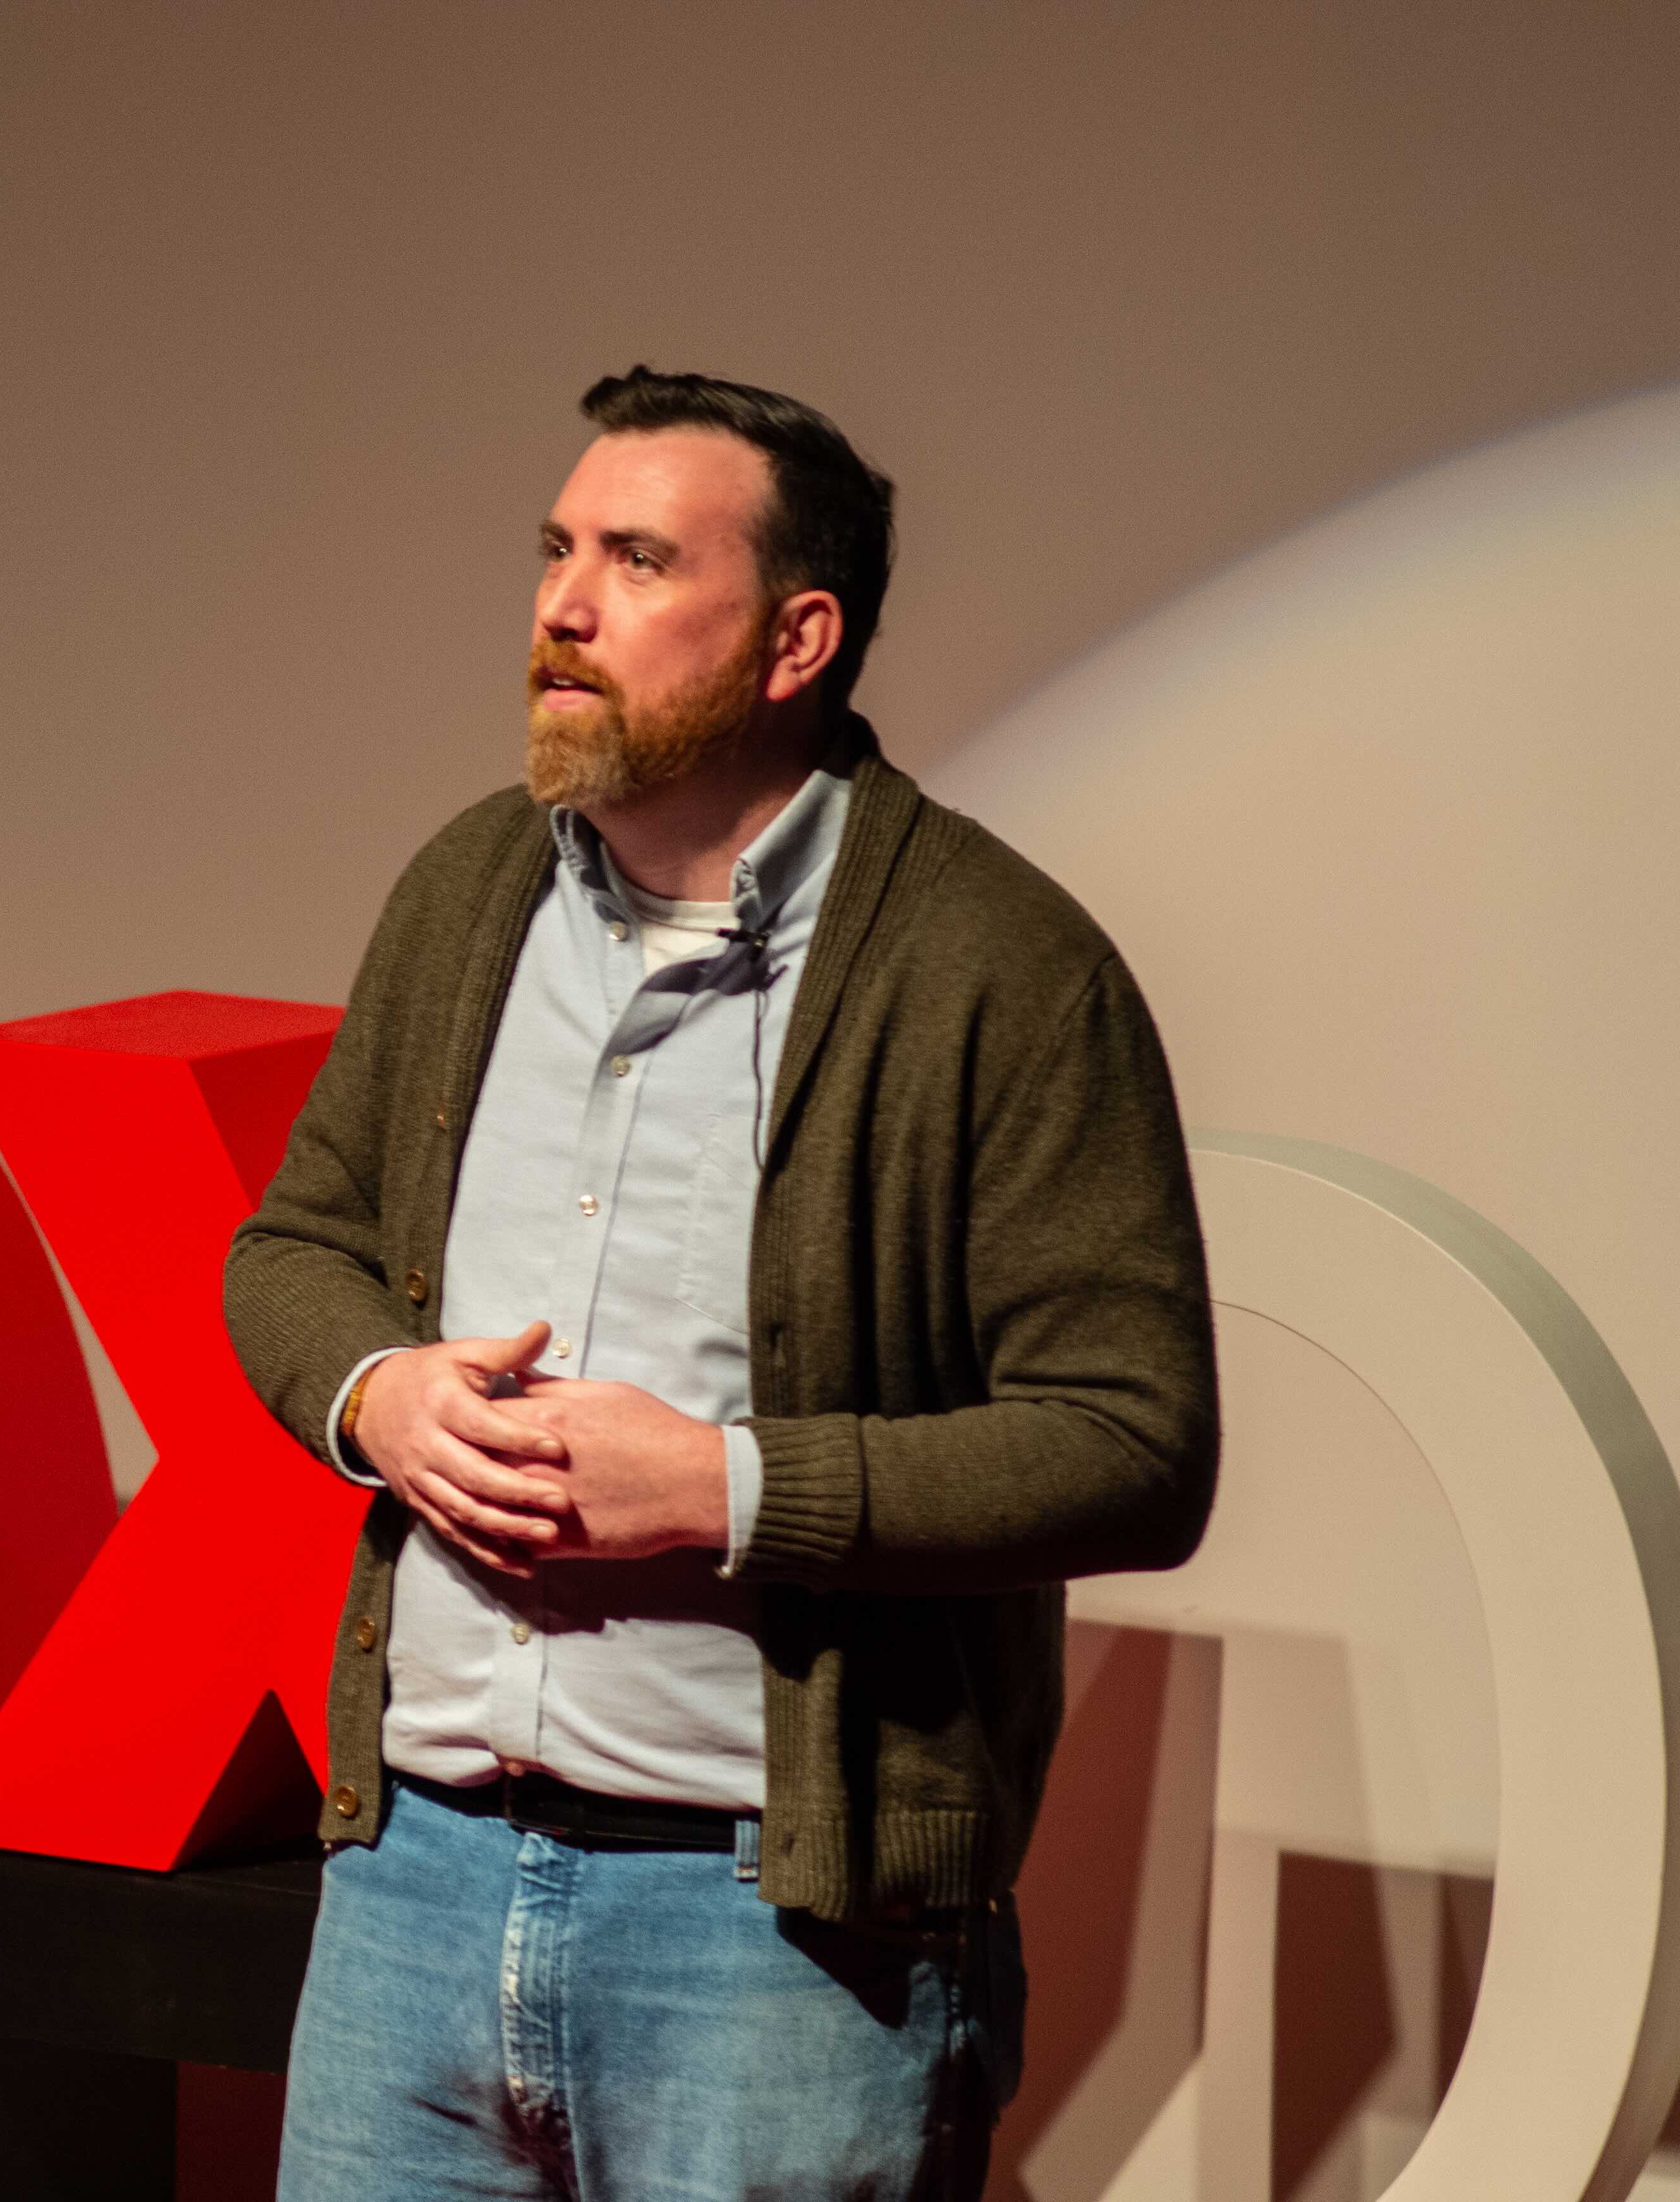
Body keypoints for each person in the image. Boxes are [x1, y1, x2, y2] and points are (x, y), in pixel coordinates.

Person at [224, 366, 1219, 2199]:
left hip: (774, 1935)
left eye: (636, 560)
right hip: (413, 1880)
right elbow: (298, 1248)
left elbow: (1136, 1445)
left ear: (795, 640)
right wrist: (381, 1396)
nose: (562, 605)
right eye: (555, 550)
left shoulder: (997, 967)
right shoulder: (469, 892)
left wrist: (721, 1488)